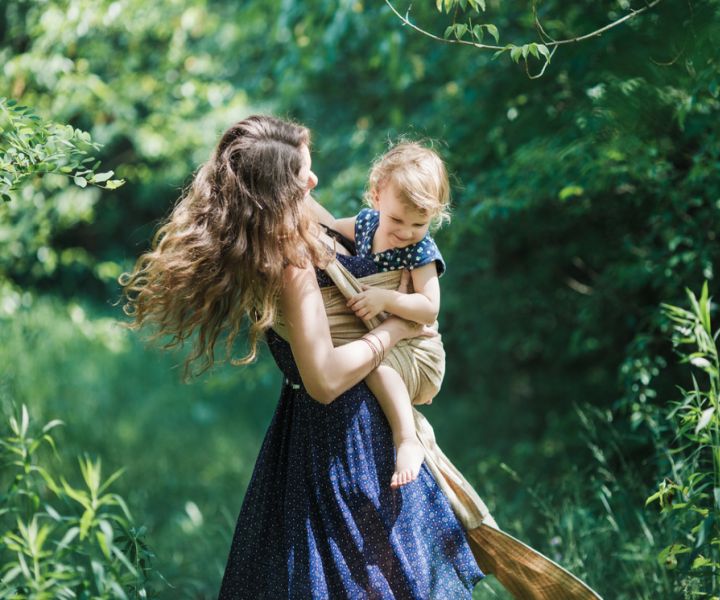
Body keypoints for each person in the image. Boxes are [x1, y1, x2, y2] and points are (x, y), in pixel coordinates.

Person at [119, 115, 485, 597]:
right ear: (276, 191)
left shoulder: (291, 222)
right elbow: (325, 379)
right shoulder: (290, 262)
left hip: (346, 428)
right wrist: (394, 329)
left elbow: (341, 224)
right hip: (342, 441)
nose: (313, 182)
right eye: (301, 176)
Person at [321, 142, 450, 490]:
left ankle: (407, 439)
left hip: (419, 353)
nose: (405, 232)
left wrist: (386, 298)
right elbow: (328, 227)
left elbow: (428, 308)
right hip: (391, 341)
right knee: (365, 358)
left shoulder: (420, 252)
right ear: (377, 197)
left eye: (419, 223)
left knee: (375, 364)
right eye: (396, 219)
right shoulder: (366, 226)